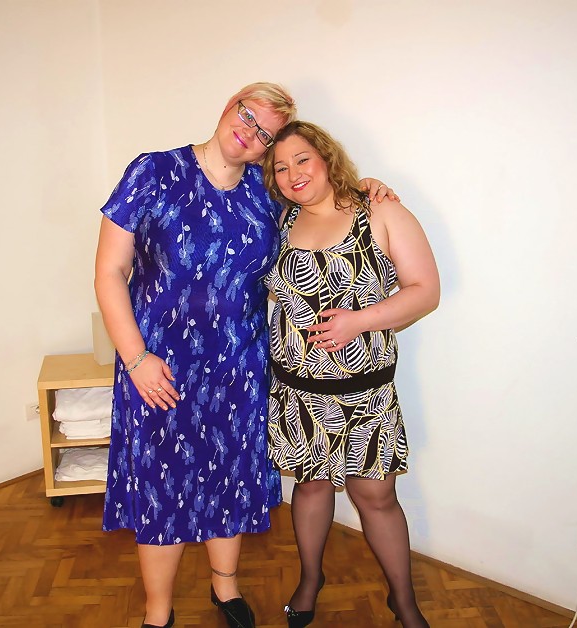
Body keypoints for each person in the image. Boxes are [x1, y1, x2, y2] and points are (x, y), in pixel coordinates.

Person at [94, 83, 395, 628]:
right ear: (228, 106)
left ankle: (225, 588)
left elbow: (321, 200)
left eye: (265, 133)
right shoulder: (153, 171)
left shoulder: (266, 191)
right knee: (163, 486)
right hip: (158, 365)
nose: (250, 132)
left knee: (228, 477)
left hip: (240, 365)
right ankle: (158, 612)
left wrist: (367, 187)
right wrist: (136, 358)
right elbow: (110, 272)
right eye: (247, 115)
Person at [262, 121, 440, 628]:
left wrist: (358, 321)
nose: (293, 173)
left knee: (376, 496)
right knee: (311, 487)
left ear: (326, 157)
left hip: (365, 392)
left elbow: (425, 290)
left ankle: (403, 600)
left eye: (303, 159)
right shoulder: (280, 220)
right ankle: (310, 580)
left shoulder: (379, 212)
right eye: (281, 167)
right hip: (298, 391)